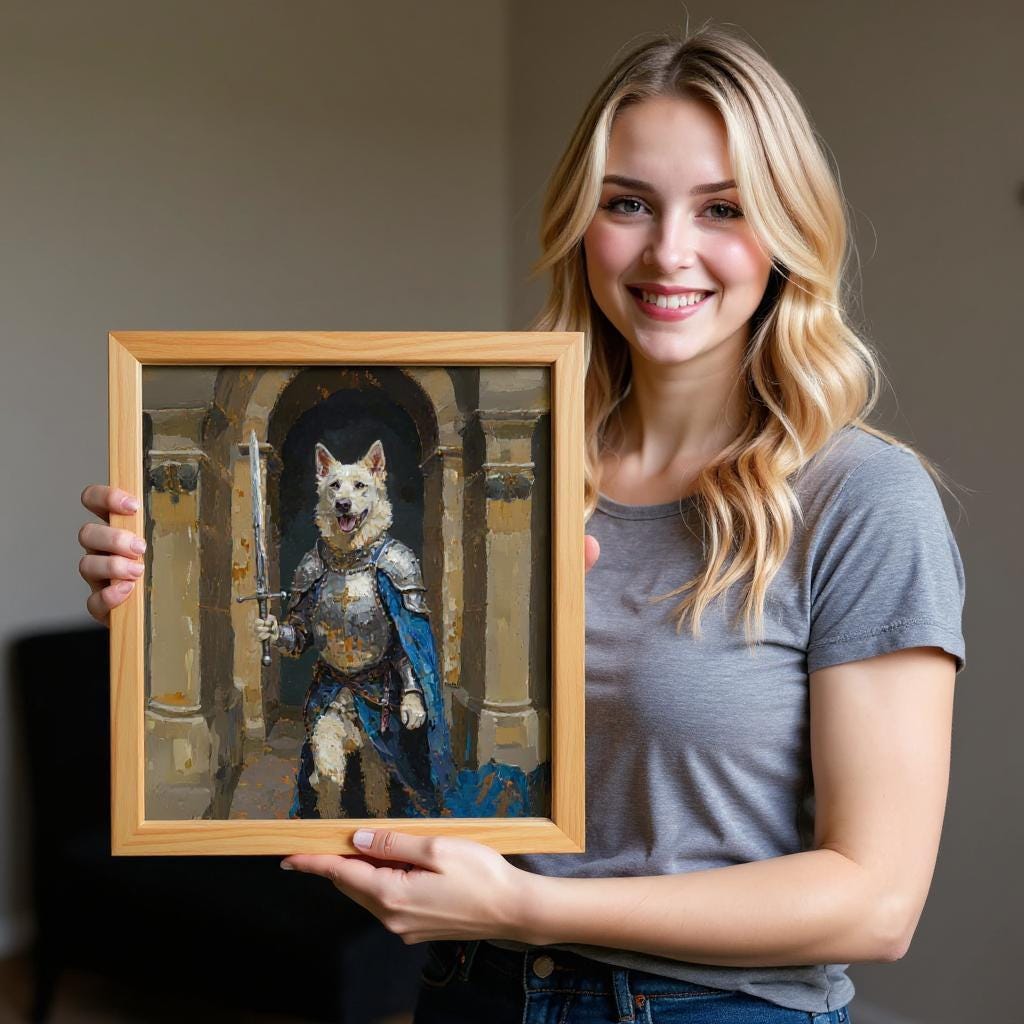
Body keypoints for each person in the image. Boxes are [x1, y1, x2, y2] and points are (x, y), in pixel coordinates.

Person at [78, 21, 965, 1024]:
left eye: (723, 208)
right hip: (474, 993)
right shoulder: (519, 476)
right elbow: (417, 737)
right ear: (581, 223)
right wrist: (165, 622)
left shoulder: (862, 498)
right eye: (627, 203)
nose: (668, 250)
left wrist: (527, 905)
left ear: (787, 232)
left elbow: (876, 902)